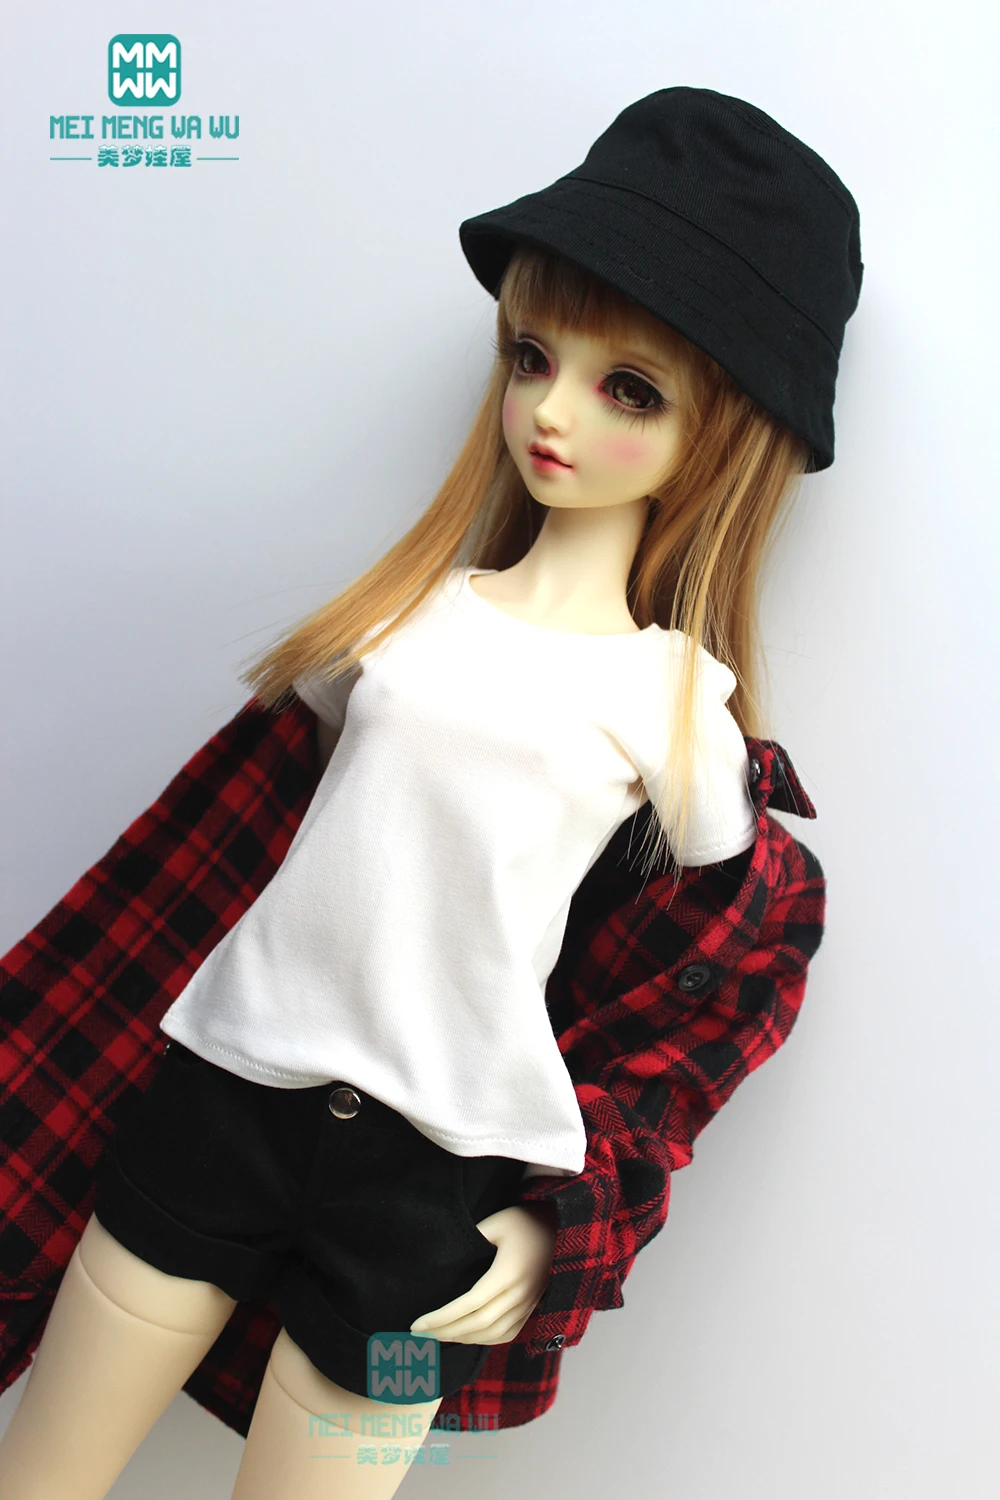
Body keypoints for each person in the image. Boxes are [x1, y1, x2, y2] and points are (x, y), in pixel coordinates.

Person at [0, 85, 861, 1498]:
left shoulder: (676, 711)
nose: (553, 411)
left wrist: (555, 1228)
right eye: (533, 356)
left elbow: (694, 987)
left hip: (426, 1208)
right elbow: (217, 858)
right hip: (220, 1103)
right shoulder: (401, 621)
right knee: (41, 1474)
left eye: (630, 388)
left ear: (725, 435)